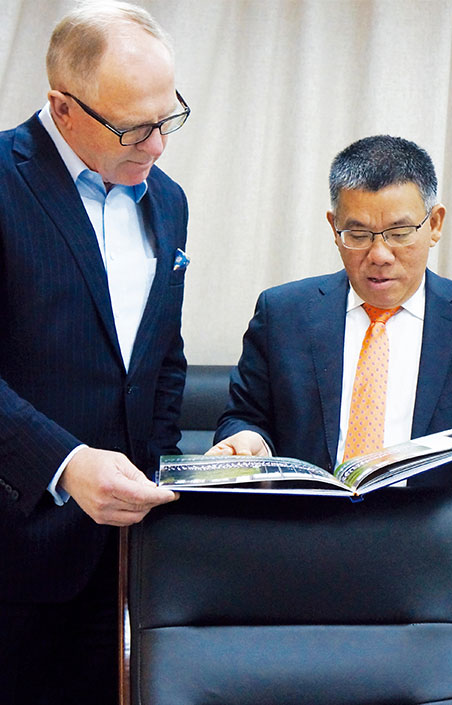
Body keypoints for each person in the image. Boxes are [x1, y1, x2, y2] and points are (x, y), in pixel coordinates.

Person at [210, 134, 452, 645]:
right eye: (358, 234)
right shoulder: (284, 313)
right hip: (300, 543)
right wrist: (248, 441)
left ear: (435, 224)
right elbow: (245, 416)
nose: (379, 255)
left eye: (400, 232)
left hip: (429, 557)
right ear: (333, 228)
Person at [0, 3, 190, 703]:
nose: (157, 146)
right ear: (62, 107)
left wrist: (163, 468)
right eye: (134, 127)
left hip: (127, 555)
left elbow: (160, 355)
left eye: (168, 118)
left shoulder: (168, 201)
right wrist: (65, 463)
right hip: (14, 545)